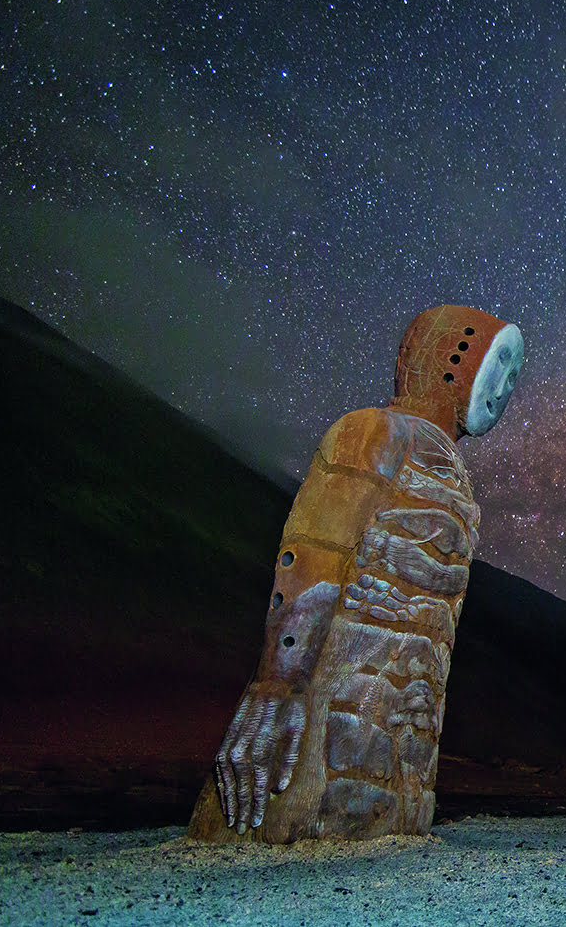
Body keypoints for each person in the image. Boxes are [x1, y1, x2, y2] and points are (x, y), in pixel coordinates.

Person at [188, 305, 522, 842]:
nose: (503, 388)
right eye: (496, 362)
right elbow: (316, 552)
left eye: (512, 376)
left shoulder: (455, 478)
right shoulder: (373, 432)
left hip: (408, 706)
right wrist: (280, 681)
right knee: (307, 797)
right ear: (451, 355)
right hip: (338, 693)